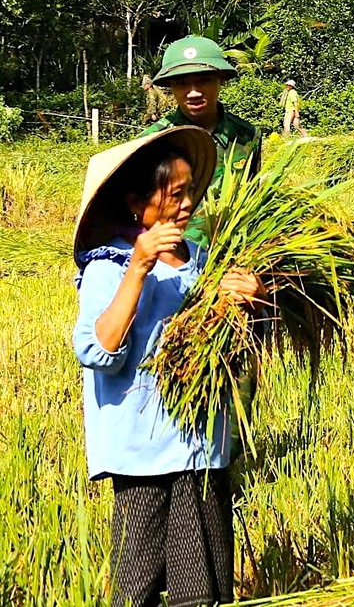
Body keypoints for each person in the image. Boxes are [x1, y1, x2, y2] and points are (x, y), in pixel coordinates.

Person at [72, 126, 264, 607]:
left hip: (200, 448)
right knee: (137, 588)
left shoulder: (205, 262)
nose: (186, 206)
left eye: (190, 193)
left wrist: (247, 303)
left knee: (205, 589)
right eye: (174, 195)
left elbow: (226, 349)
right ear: (138, 204)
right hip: (143, 454)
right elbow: (97, 350)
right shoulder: (108, 266)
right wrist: (138, 267)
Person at [138, 36, 263, 249]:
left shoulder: (247, 136)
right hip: (174, 258)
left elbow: (253, 199)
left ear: (221, 79)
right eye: (182, 83)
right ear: (170, 86)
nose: (194, 92)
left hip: (232, 254)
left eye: (204, 80)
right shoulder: (153, 141)